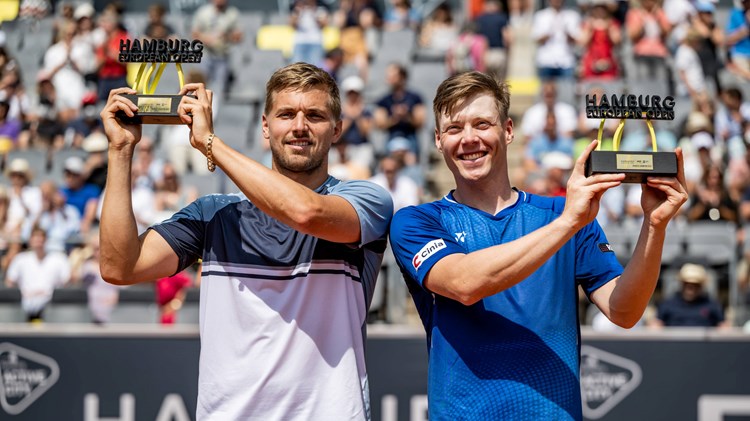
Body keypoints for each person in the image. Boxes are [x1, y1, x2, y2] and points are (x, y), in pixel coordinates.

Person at [99, 62, 393, 419]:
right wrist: (120, 150)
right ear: (266, 127)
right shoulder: (214, 214)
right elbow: (120, 266)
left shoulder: (366, 200)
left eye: (314, 116)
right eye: (286, 115)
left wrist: (210, 143)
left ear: (337, 130)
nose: (300, 126)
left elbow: (306, 213)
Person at [388, 71, 688, 419]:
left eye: (482, 124)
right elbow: (465, 284)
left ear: (509, 130)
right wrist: (568, 223)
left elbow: (624, 311)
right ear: (439, 141)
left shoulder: (563, 215)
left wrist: (655, 225)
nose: (469, 139)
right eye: (455, 129)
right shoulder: (417, 221)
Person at [5, 226, 71, 322]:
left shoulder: (59, 259)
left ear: (46, 240)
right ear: (30, 240)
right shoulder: (20, 259)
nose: (38, 242)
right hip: (24, 306)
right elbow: (9, 282)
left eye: (41, 239)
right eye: (36, 238)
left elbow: (67, 281)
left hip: (51, 306)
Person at [649, 262, 729, 327]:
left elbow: (723, 328)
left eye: (695, 284)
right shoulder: (667, 305)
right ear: (681, 284)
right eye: (687, 284)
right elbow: (656, 326)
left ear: (701, 286)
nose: (690, 288)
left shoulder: (713, 305)